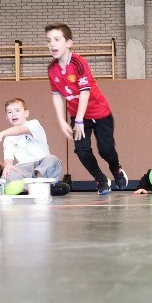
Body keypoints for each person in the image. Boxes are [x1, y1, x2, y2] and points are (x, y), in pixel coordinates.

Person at [46, 22, 128, 195]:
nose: (52, 44)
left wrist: (78, 121)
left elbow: (85, 92)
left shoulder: (78, 62)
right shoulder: (52, 69)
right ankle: (101, 179)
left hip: (99, 113)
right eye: (49, 40)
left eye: (57, 39)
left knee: (105, 150)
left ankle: (116, 168)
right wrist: (61, 121)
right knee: (81, 150)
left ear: (69, 43)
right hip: (78, 115)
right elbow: (56, 95)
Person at [0, 98, 70, 195]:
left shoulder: (34, 124)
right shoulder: (8, 138)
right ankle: (41, 188)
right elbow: (8, 159)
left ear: (26, 113)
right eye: (10, 112)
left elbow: (19, 130)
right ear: (7, 117)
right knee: (10, 173)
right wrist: (8, 165)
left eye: (17, 110)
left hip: (41, 164)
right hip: (23, 168)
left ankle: (37, 183)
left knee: (53, 160)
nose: (13, 114)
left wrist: (1, 134)